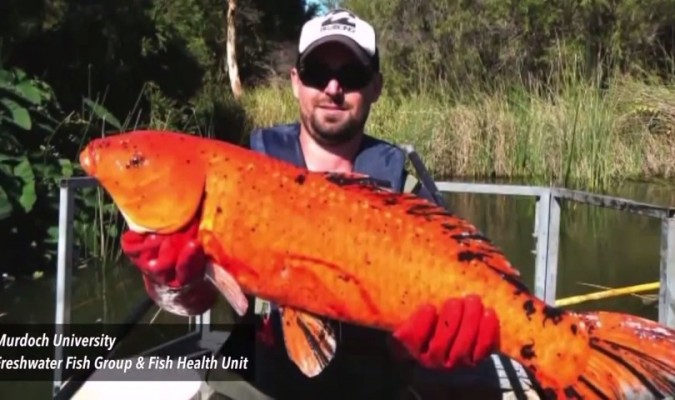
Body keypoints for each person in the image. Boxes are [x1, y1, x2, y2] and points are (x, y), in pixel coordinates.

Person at [120, 9, 502, 400]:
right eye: (317, 72)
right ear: (295, 82)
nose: (333, 87)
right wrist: (167, 283)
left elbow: (456, 355)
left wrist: (434, 357)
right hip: (256, 384)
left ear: (376, 87)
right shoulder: (239, 175)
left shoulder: (410, 199)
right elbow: (195, 298)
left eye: (352, 75)